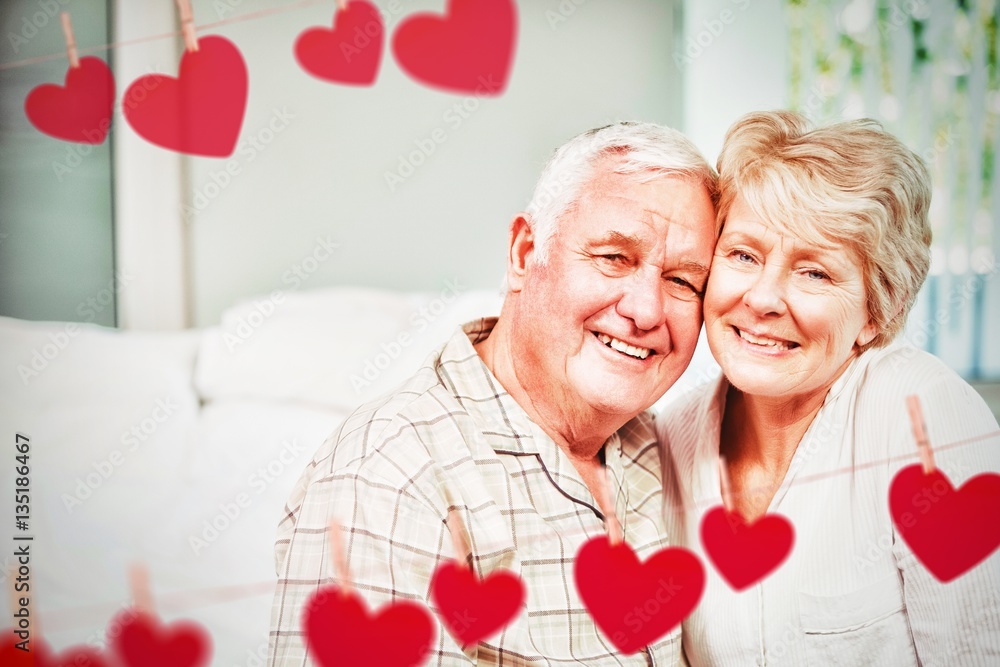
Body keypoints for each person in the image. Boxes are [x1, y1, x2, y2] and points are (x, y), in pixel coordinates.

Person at [268, 121, 719, 665]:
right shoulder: (390, 472)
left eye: (682, 282)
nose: (646, 311)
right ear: (525, 253)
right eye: (613, 258)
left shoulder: (659, 445)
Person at [656, 110, 1000, 666]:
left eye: (814, 272)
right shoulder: (669, 439)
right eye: (743, 255)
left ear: (873, 313)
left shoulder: (925, 420)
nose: (764, 298)